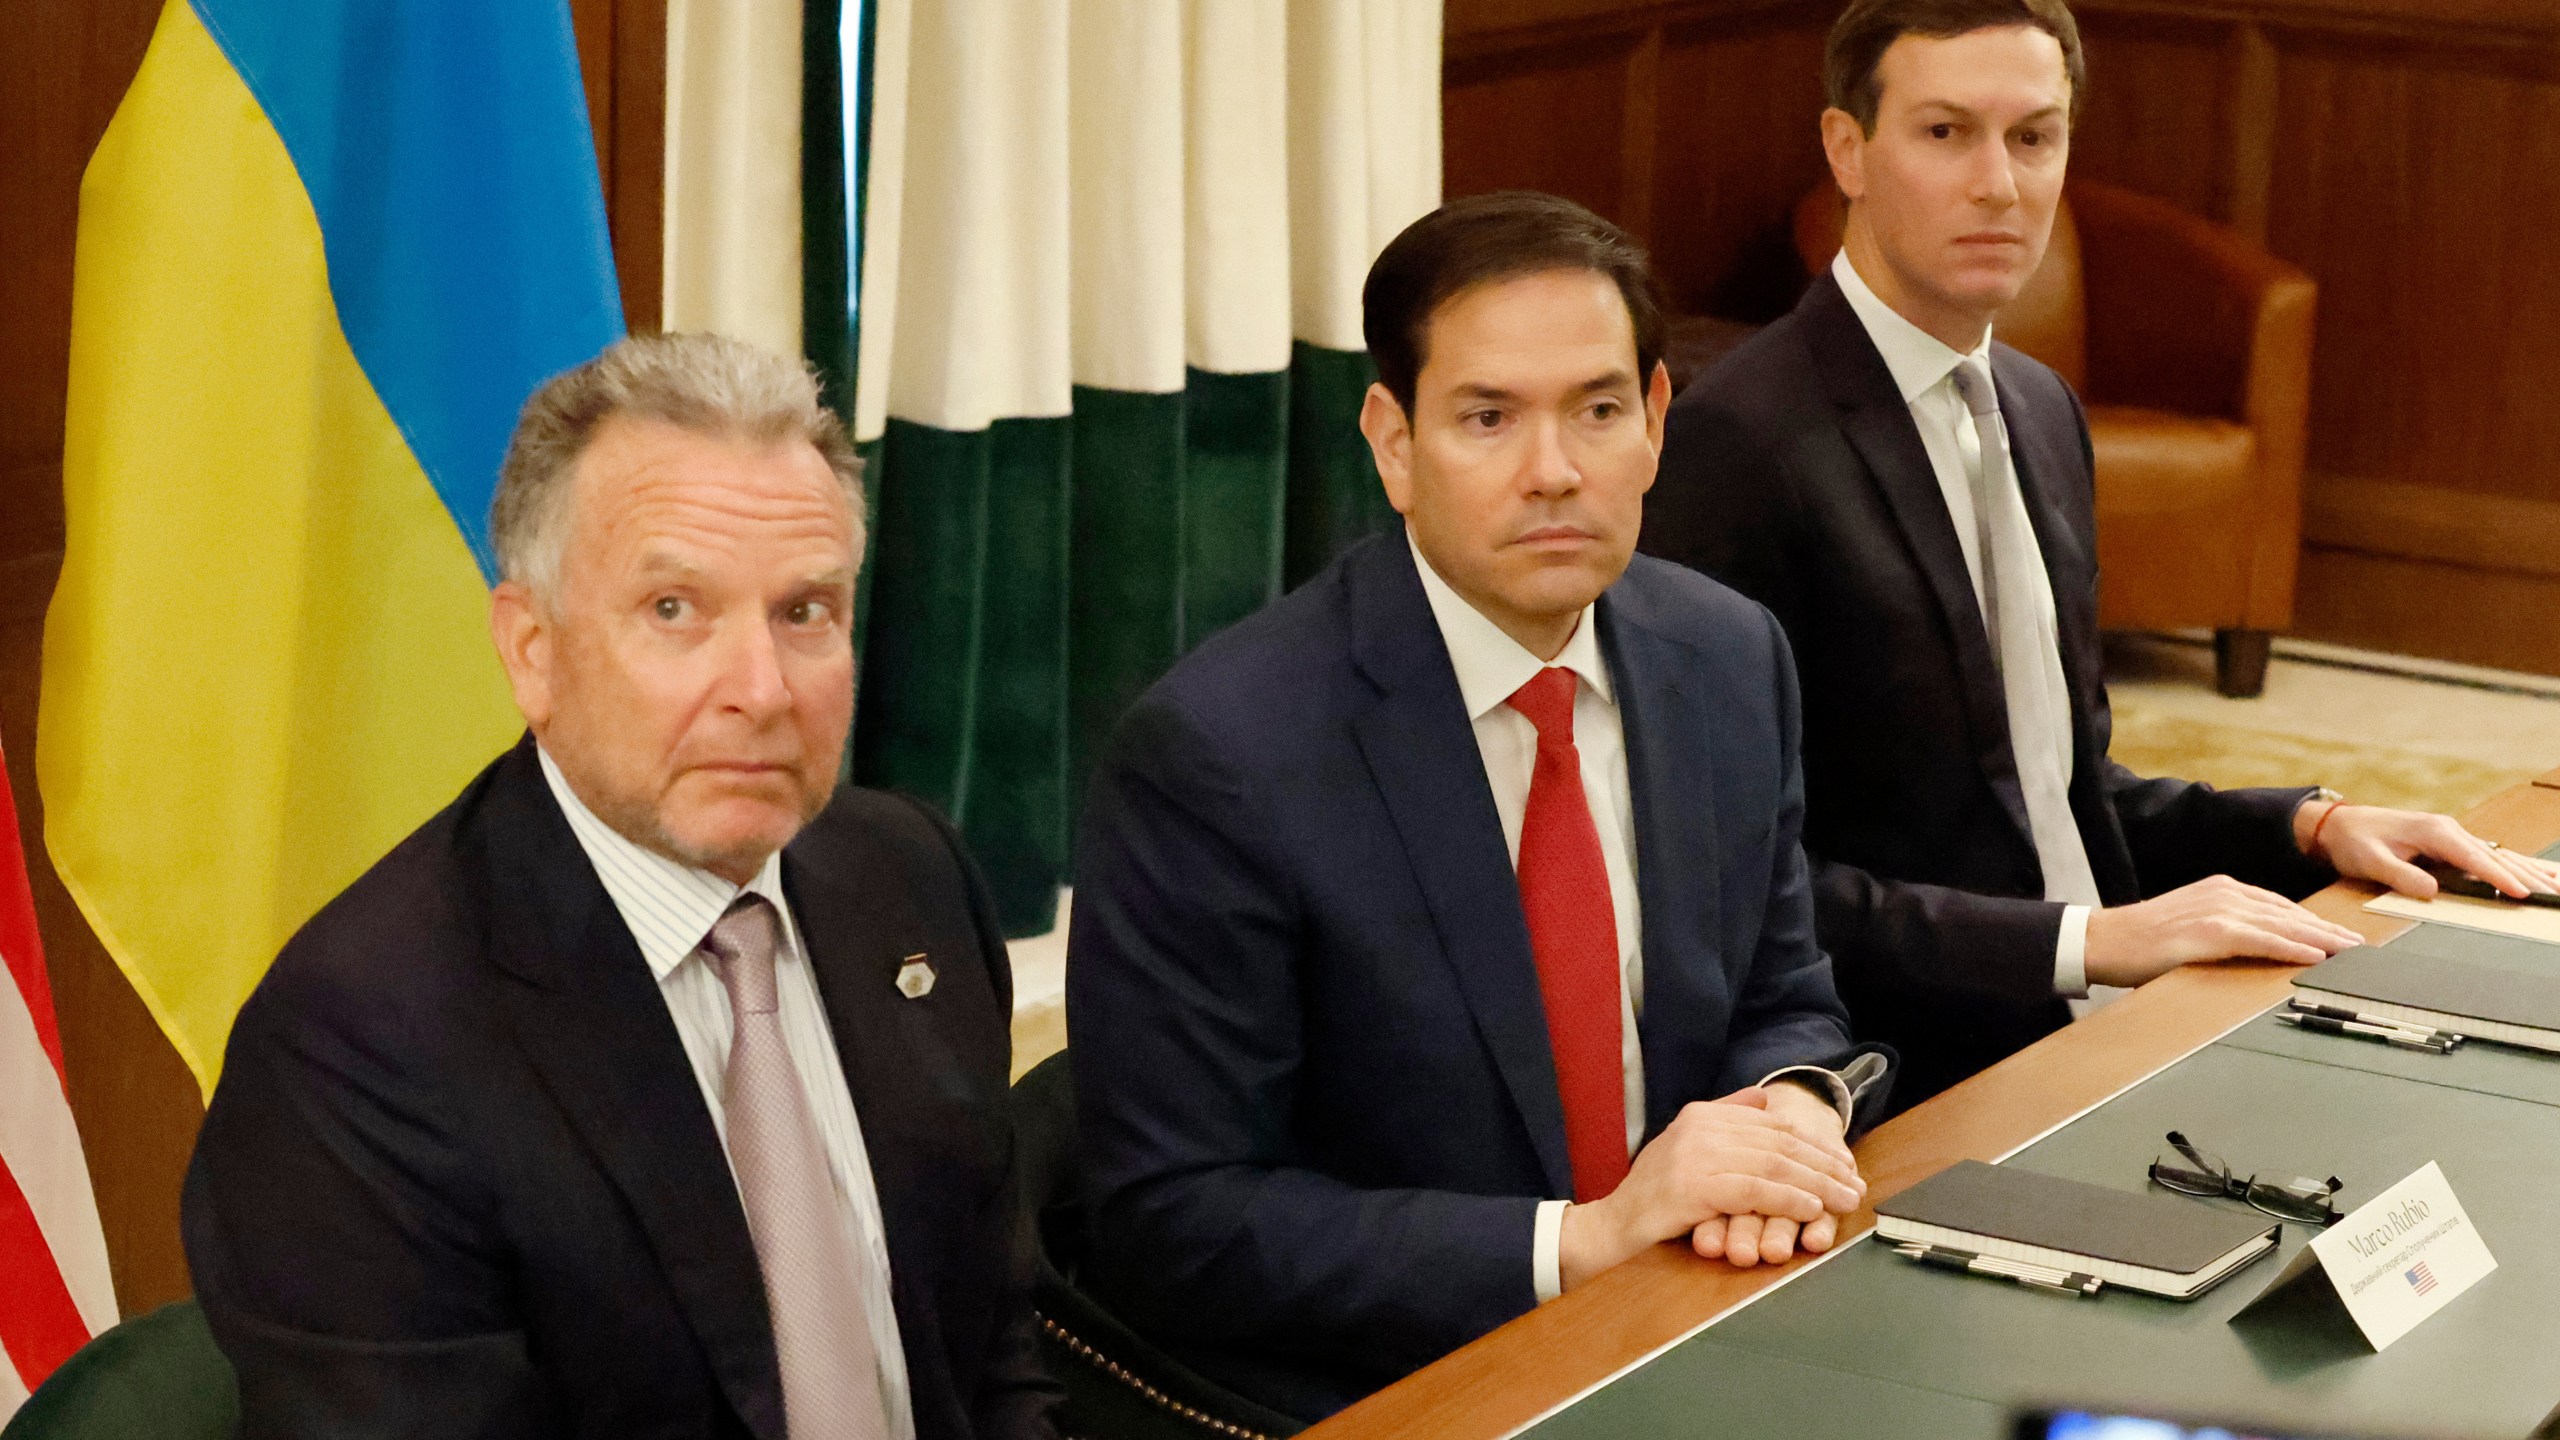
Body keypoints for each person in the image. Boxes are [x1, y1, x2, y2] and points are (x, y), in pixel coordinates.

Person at [1642, 0, 2560, 1108]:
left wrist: (2310, 824)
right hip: (1910, 1070)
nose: (1999, 183)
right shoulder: (1735, 445)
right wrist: (2088, 942)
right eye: (1945, 133)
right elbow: (1733, 893)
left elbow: (2050, 793)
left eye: (2033, 136)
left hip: (2110, 1013)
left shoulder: (2036, 408)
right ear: (1848, 149)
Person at [1067, 192, 1890, 1422]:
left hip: (1697, 1319)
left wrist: (1790, 1107)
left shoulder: (1727, 656)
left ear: (1656, 422)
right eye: (1488, 418)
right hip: (1404, 1386)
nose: (1553, 472)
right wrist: (1582, 1242)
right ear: (1393, 444)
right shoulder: (1218, 757)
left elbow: (1781, 998)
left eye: (1597, 411)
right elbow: (1173, 1221)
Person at [183, 334, 1059, 1440]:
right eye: (674, 610)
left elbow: (994, 1353)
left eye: (804, 613)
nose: (761, 691)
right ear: (532, 651)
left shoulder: (908, 878)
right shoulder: (356, 1043)